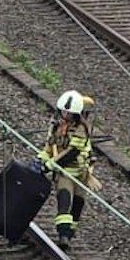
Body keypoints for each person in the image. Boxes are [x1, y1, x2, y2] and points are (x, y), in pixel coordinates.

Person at [39, 90, 97, 251]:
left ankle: (70, 232)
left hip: (81, 173)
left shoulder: (82, 128)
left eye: (69, 113)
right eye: (64, 112)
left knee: (77, 204)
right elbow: (50, 146)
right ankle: (63, 235)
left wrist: (50, 165)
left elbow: (72, 152)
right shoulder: (56, 126)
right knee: (64, 201)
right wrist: (42, 159)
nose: (66, 115)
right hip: (64, 173)